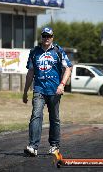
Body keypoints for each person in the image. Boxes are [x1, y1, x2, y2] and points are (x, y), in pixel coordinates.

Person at [23, 27, 72, 156]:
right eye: (44, 36)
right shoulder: (34, 52)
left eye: (48, 36)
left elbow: (68, 68)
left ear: (52, 37)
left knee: (54, 118)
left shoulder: (58, 51)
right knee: (36, 115)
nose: (46, 38)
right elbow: (30, 72)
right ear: (41, 37)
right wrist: (24, 92)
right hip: (39, 89)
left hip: (54, 90)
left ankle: (54, 145)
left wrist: (62, 85)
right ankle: (33, 146)